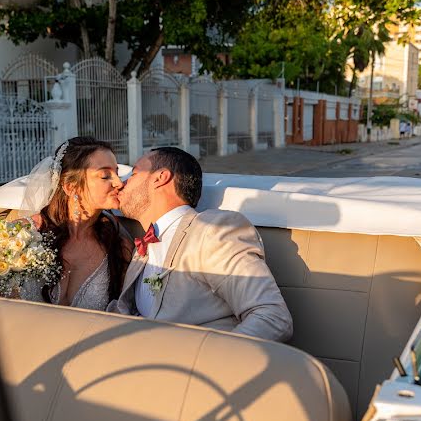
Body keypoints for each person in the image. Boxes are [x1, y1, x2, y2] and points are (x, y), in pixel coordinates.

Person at [109, 146, 293, 342]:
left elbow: (272, 317)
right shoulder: (143, 244)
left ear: (160, 177)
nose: (121, 184)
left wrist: (203, 363)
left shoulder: (212, 231)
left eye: (134, 173)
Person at [0, 137, 133, 310]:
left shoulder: (118, 246)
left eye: (117, 173)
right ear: (70, 187)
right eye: (105, 175)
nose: (119, 183)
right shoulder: (21, 238)